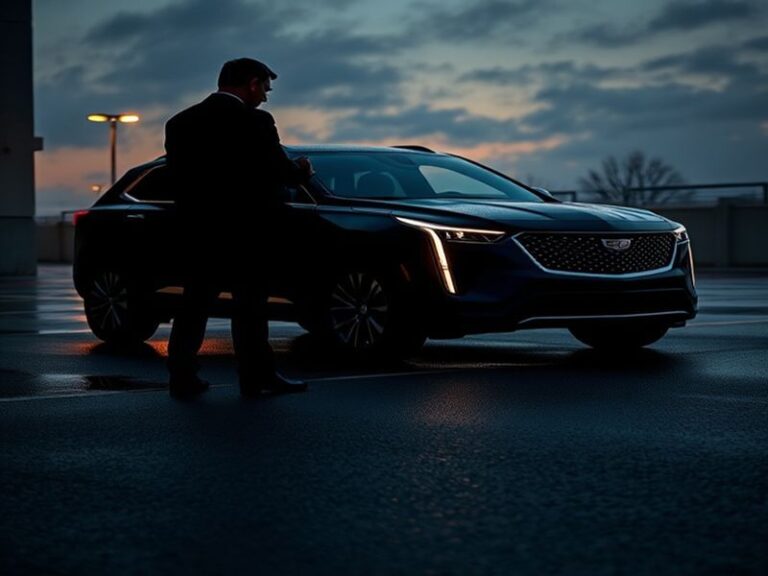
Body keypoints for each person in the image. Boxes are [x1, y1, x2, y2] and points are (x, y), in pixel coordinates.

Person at [165, 58, 313, 398]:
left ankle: (182, 376)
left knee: (193, 306)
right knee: (250, 309)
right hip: (248, 233)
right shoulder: (256, 121)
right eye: (265, 88)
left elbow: (178, 180)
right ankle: (256, 376)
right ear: (251, 83)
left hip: (200, 231)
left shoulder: (180, 123)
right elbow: (278, 170)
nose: (265, 96)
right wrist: (302, 170)